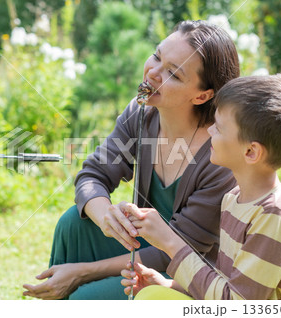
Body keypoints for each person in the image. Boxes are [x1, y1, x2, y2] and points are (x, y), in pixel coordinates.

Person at [23, 20, 240, 300]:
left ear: (202, 95)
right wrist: (106, 218)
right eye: (157, 56)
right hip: (144, 248)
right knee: (73, 224)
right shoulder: (140, 113)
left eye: (173, 73)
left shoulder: (219, 155)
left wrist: (83, 271)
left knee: (83, 299)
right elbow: (93, 175)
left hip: (184, 273)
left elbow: (179, 250)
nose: (153, 73)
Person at [121, 74, 281, 300]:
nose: (211, 131)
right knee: (154, 296)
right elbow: (227, 282)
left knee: (150, 301)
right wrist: (170, 285)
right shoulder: (234, 198)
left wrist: (170, 241)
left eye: (220, 128)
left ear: (251, 152)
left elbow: (237, 306)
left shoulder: (275, 216)